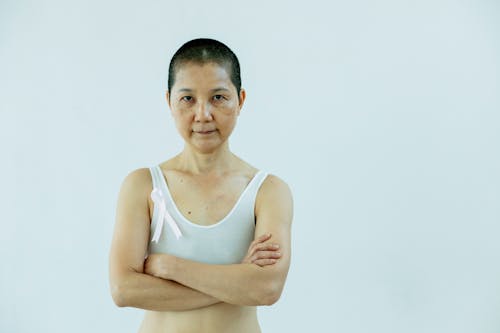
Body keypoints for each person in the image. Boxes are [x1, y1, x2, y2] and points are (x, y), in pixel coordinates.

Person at [108, 38, 293, 333]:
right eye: (188, 99)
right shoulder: (142, 185)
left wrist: (170, 268)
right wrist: (235, 281)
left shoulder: (268, 191)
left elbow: (267, 288)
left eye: (218, 97)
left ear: (240, 100)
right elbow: (123, 290)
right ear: (169, 101)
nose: (203, 115)